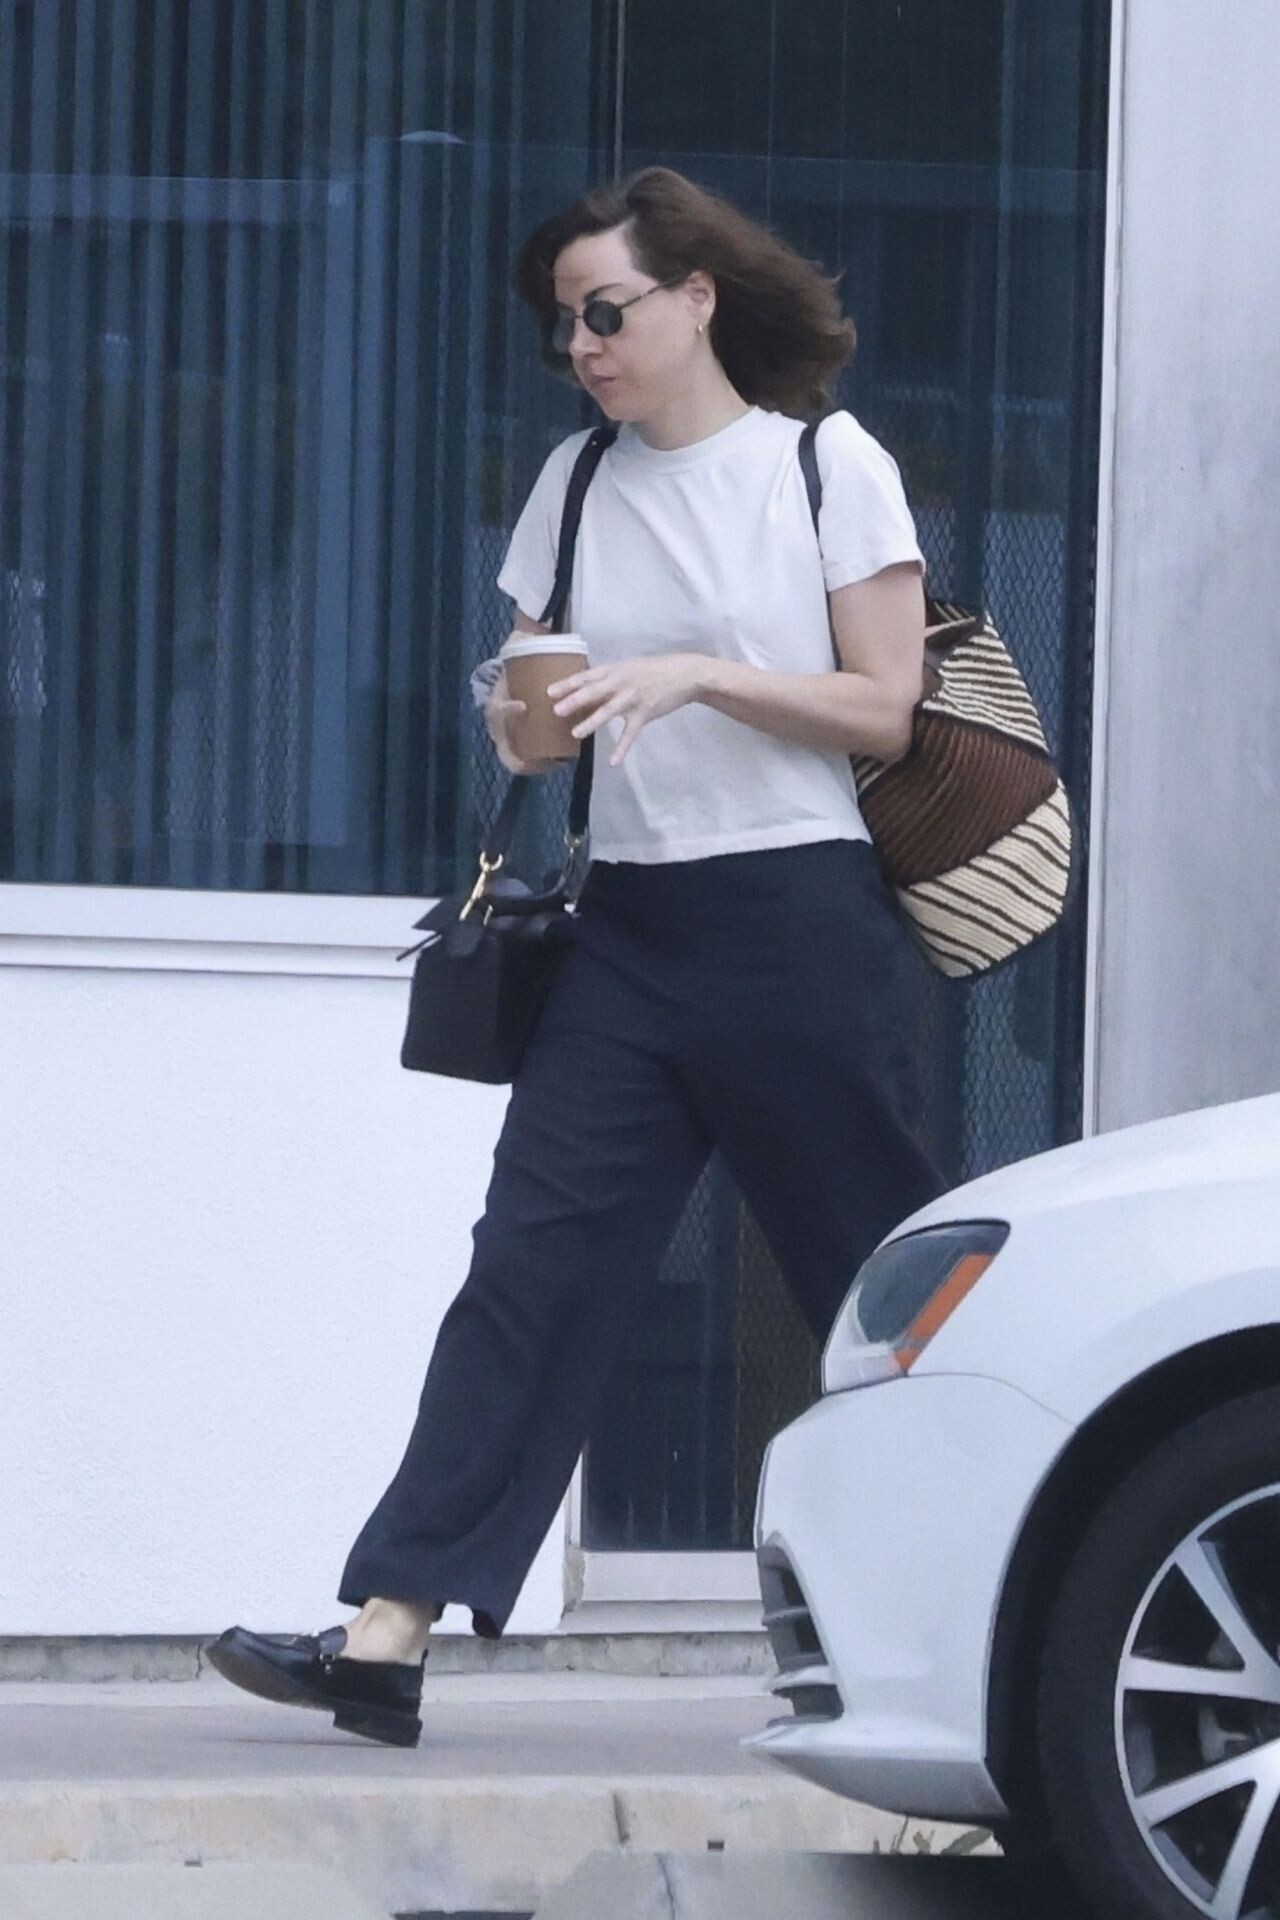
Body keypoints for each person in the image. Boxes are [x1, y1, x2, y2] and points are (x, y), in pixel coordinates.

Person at [207, 167, 944, 1748]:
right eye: (564, 326)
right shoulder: (577, 477)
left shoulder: (824, 465)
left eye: (604, 312)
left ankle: (959, 1624)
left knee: (873, 1296)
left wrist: (699, 675)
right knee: (529, 1274)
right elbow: (540, 714)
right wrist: (522, 718)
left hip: (800, 926)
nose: (581, 348)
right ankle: (388, 1632)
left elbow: (887, 709)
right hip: (629, 933)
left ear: (696, 298)